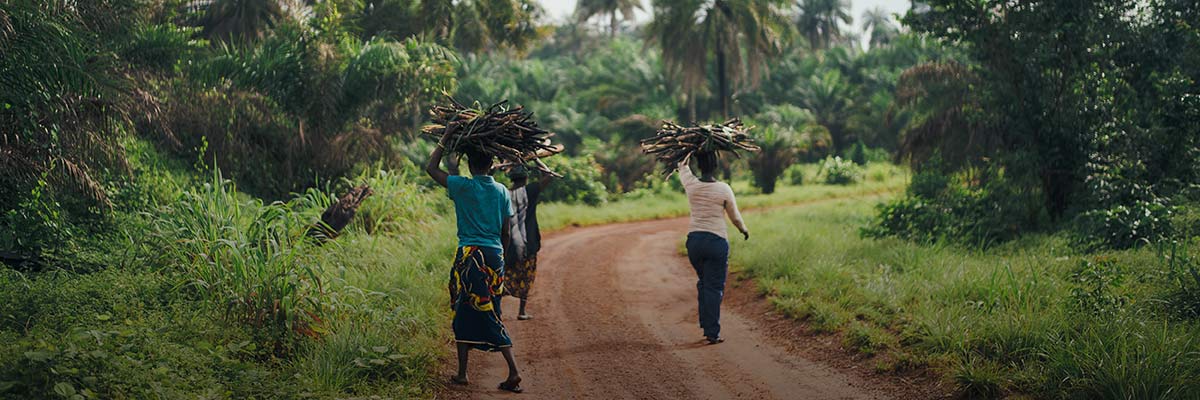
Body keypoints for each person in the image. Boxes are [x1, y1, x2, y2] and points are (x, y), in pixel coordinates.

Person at [426, 133, 523, 393]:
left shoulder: (462, 186)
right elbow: (505, 231)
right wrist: (499, 258)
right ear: (491, 164)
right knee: (487, 310)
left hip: (470, 256)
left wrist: (446, 137)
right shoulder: (502, 190)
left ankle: (509, 371)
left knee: (469, 312)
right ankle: (463, 373)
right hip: (494, 256)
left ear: (470, 165)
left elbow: (431, 168)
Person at [677, 152, 749, 345]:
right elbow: (734, 217)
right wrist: (743, 229)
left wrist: (688, 152)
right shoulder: (723, 189)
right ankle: (712, 332)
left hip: (694, 242)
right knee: (713, 287)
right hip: (716, 242)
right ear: (716, 165)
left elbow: (682, 167)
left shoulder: (691, 185)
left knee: (704, 282)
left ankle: (705, 324)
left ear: (699, 166)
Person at [501, 165, 554, 321]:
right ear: (525, 178)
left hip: (508, 243)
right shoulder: (530, 190)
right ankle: (521, 311)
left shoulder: (504, 193)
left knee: (505, 276)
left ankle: (497, 311)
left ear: (511, 179)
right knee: (526, 275)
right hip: (528, 242)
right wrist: (537, 162)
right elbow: (549, 175)